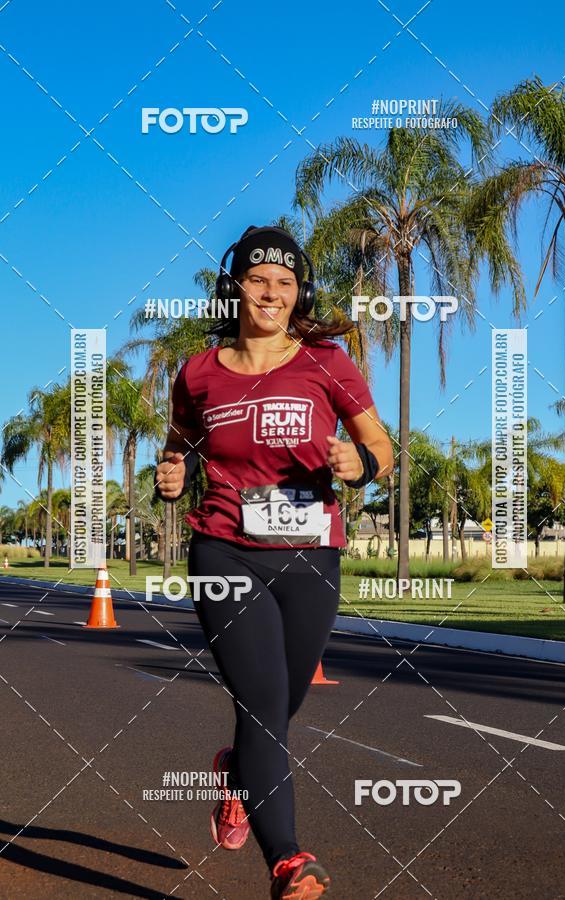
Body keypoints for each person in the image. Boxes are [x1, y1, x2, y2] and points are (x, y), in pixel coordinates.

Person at [155, 225, 393, 898]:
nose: (271, 293)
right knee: (263, 708)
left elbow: (380, 444)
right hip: (225, 545)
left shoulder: (327, 362)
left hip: (311, 554)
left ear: (300, 293)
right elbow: (180, 445)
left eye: (285, 283)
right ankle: (288, 861)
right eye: (259, 280)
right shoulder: (198, 371)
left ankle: (236, 773)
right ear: (236, 289)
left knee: (281, 705)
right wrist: (173, 473)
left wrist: (361, 463)